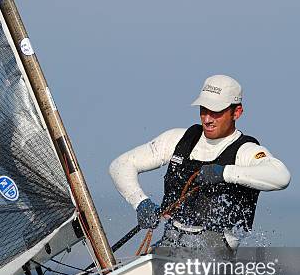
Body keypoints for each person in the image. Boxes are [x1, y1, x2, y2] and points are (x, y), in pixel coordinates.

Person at [109, 75, 290, 250]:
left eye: (217, 112)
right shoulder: (177, 139)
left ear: (237, 112)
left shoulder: (246, 151)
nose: (207, 119)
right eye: (204, 109)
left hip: (214, 257)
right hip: (169, 243)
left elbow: (281, 177)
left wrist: (224, 173)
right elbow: (120, 165)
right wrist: (140, 202)